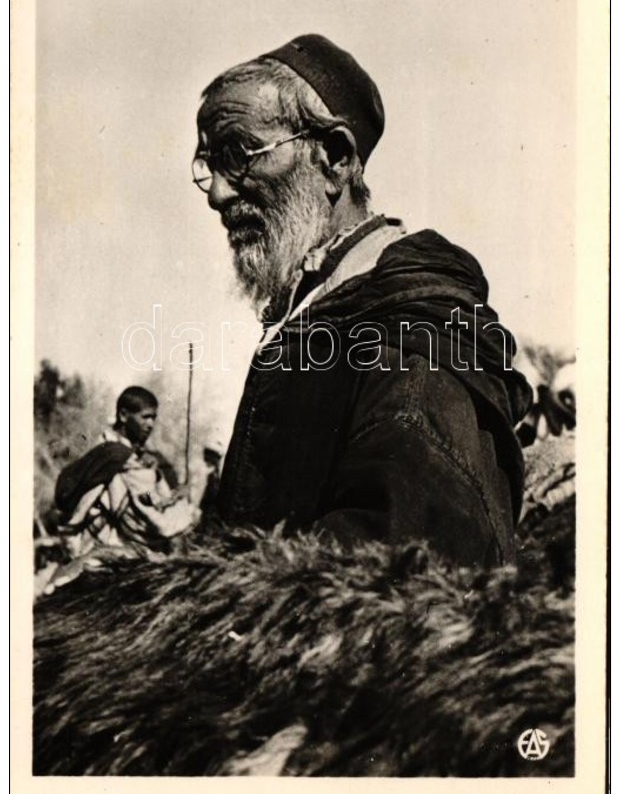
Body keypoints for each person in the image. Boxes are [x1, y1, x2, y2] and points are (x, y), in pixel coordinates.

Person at [192, 34, 532, 566]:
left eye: (237, 154)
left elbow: (401, 559)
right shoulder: (319, 303)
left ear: (334, 157)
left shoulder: (415, 325)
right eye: (209, 163)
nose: (217, 193)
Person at [54, 386, 196, 559]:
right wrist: (181, 517)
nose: (151, 424)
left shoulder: (106, 449)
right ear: (123, 415)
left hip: (92, 541)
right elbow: (150, 509)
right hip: (109, 544)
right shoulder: (122, 458)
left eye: (153, 418)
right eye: (145, 417)